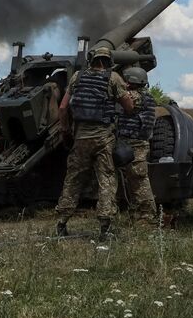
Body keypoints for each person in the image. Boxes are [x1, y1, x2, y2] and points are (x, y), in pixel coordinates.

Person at [55, 46, 134, 241]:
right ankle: (105, 229)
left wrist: (66, 131)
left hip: (80, 138)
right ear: (108, 61)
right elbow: (129, 107)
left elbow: (63, 108)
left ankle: (61, 224)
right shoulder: (113, 78)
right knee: (106, 180)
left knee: (73, 180)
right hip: (103, 138)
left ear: (92, 59)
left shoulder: (77, 78)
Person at [116, 67, 158, 224]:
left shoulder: (137, 96)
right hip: (134, 144)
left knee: (140, 182)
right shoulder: (146, 97)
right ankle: (137, 215)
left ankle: (148, 217)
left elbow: (122, 98)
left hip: (135, 145)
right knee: (133, 181)